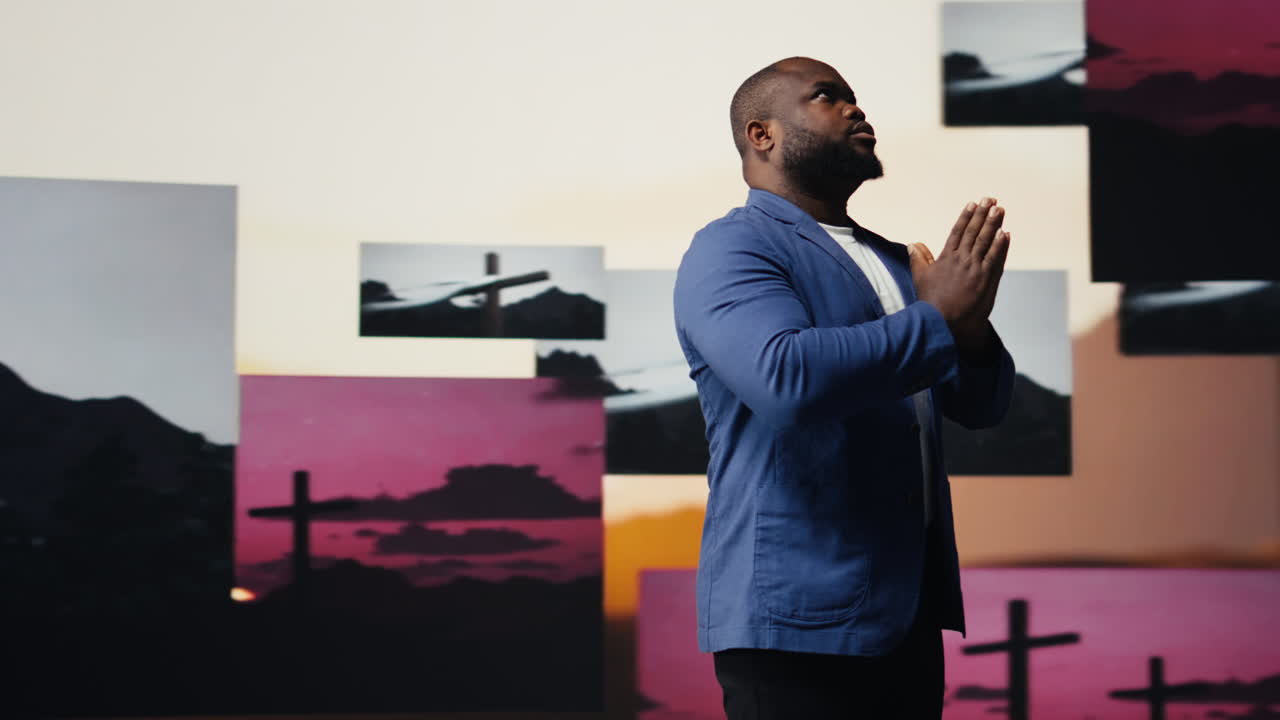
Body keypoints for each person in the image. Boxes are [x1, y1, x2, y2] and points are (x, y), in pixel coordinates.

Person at [672, 57, 1017, 718]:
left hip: (907, 615)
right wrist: (938, 316)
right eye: (827, 97)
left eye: (856, 97)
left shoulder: (895, 259)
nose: (855, 109)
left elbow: (981, 405)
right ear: (761, 135)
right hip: (793, 619)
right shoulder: (731, 248)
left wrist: (968, 331)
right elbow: (786, 379)